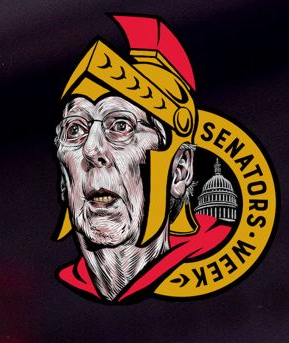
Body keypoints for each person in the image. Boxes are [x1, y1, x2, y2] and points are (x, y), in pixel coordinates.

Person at [55, 16, 228, 303]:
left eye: (121, 126)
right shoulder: (50, 297)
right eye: (75, 130)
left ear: (180, 170)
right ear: (64, 177)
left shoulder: (213, 263)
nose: (92, 150)